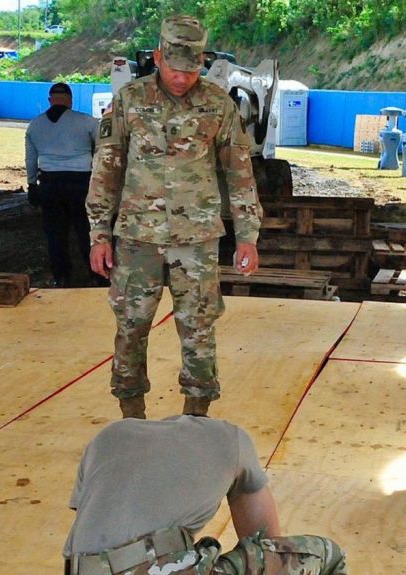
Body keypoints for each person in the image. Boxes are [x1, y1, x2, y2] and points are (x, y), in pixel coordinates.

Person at [86, 14, 262, 419]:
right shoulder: (129, 99)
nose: (181, 78)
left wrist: (247, 235)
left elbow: (239, 171)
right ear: (159, 57)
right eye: (174, 68)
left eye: (190, 69)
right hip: (136, 238)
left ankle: (197, 417)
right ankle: (131, 414)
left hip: (197, 239)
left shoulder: (219, 104)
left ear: (201, 62)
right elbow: (107, 168)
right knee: (131, 327)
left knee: (199, 330)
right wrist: (99, 233)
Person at [64, 415, 348, 575]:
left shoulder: (109, 435)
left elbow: (90, 523)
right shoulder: (231, 438)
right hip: (155, 570)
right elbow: (268, 541)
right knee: (327, 554)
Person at [25, 82, 100, 287]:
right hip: (81, 183)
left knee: (55, 235)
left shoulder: (35, 125)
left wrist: (32, 185)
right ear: (70, 100)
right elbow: (104, 147)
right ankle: (96, 275)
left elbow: (30, 159)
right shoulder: (86, 121)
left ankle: (62, 276)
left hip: (50, 184)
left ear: (49, 100)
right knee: (87, 231)